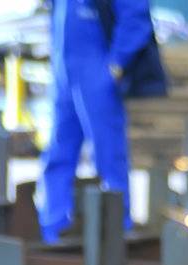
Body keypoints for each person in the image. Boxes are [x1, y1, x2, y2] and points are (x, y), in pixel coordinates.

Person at [39, 0, 167, 243]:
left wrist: (115, 65)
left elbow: (135, 18)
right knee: (58, 155)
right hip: (64, 71)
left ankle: (116, 232)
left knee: (108, 158)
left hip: (96, 73)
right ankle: (53, 230)